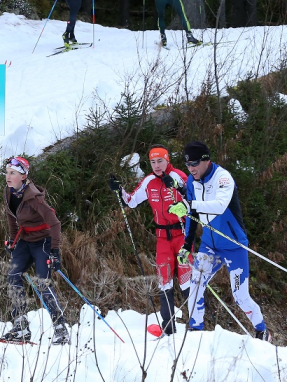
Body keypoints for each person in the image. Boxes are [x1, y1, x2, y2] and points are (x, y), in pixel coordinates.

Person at [168, 141, 269, 340]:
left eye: (194, 163)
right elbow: (192, 216)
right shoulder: (192, 181)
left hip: (233, 245)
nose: (191, 169)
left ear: (206, 160)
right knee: (195, 284)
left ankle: (262, 330)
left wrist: (189, 205)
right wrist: (187, 245)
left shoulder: (223, 178)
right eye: (187, 165)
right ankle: (195, 331)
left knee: (240, 296)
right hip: (209, 245)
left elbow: (220, 205)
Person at [109, 145, 191, 335]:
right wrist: (119, 190)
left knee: (186, 280)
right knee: (164, 281)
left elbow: (194, 200)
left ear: (167, 160)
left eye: (160, 161)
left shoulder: (178, 176)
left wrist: (179, 189)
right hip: (162, 238)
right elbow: (131, 201)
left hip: (181, 235)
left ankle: (197, 325)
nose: (156, 165)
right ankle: (168, 327)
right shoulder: (149, 181)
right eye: (153, 162)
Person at [0, 156, 69, 345]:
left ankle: (60, 329)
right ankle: (20, 326)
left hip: (43, 242)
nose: (8, 176)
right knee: (13, 276)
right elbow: (11, 217)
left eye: (13, 173)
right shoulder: (9, 191)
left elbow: (55, 223)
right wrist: (12, 241)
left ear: (23, 176)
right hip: (25, 240)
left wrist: (55, 251)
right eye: (7, 172)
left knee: (42, 283)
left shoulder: (34, 198)